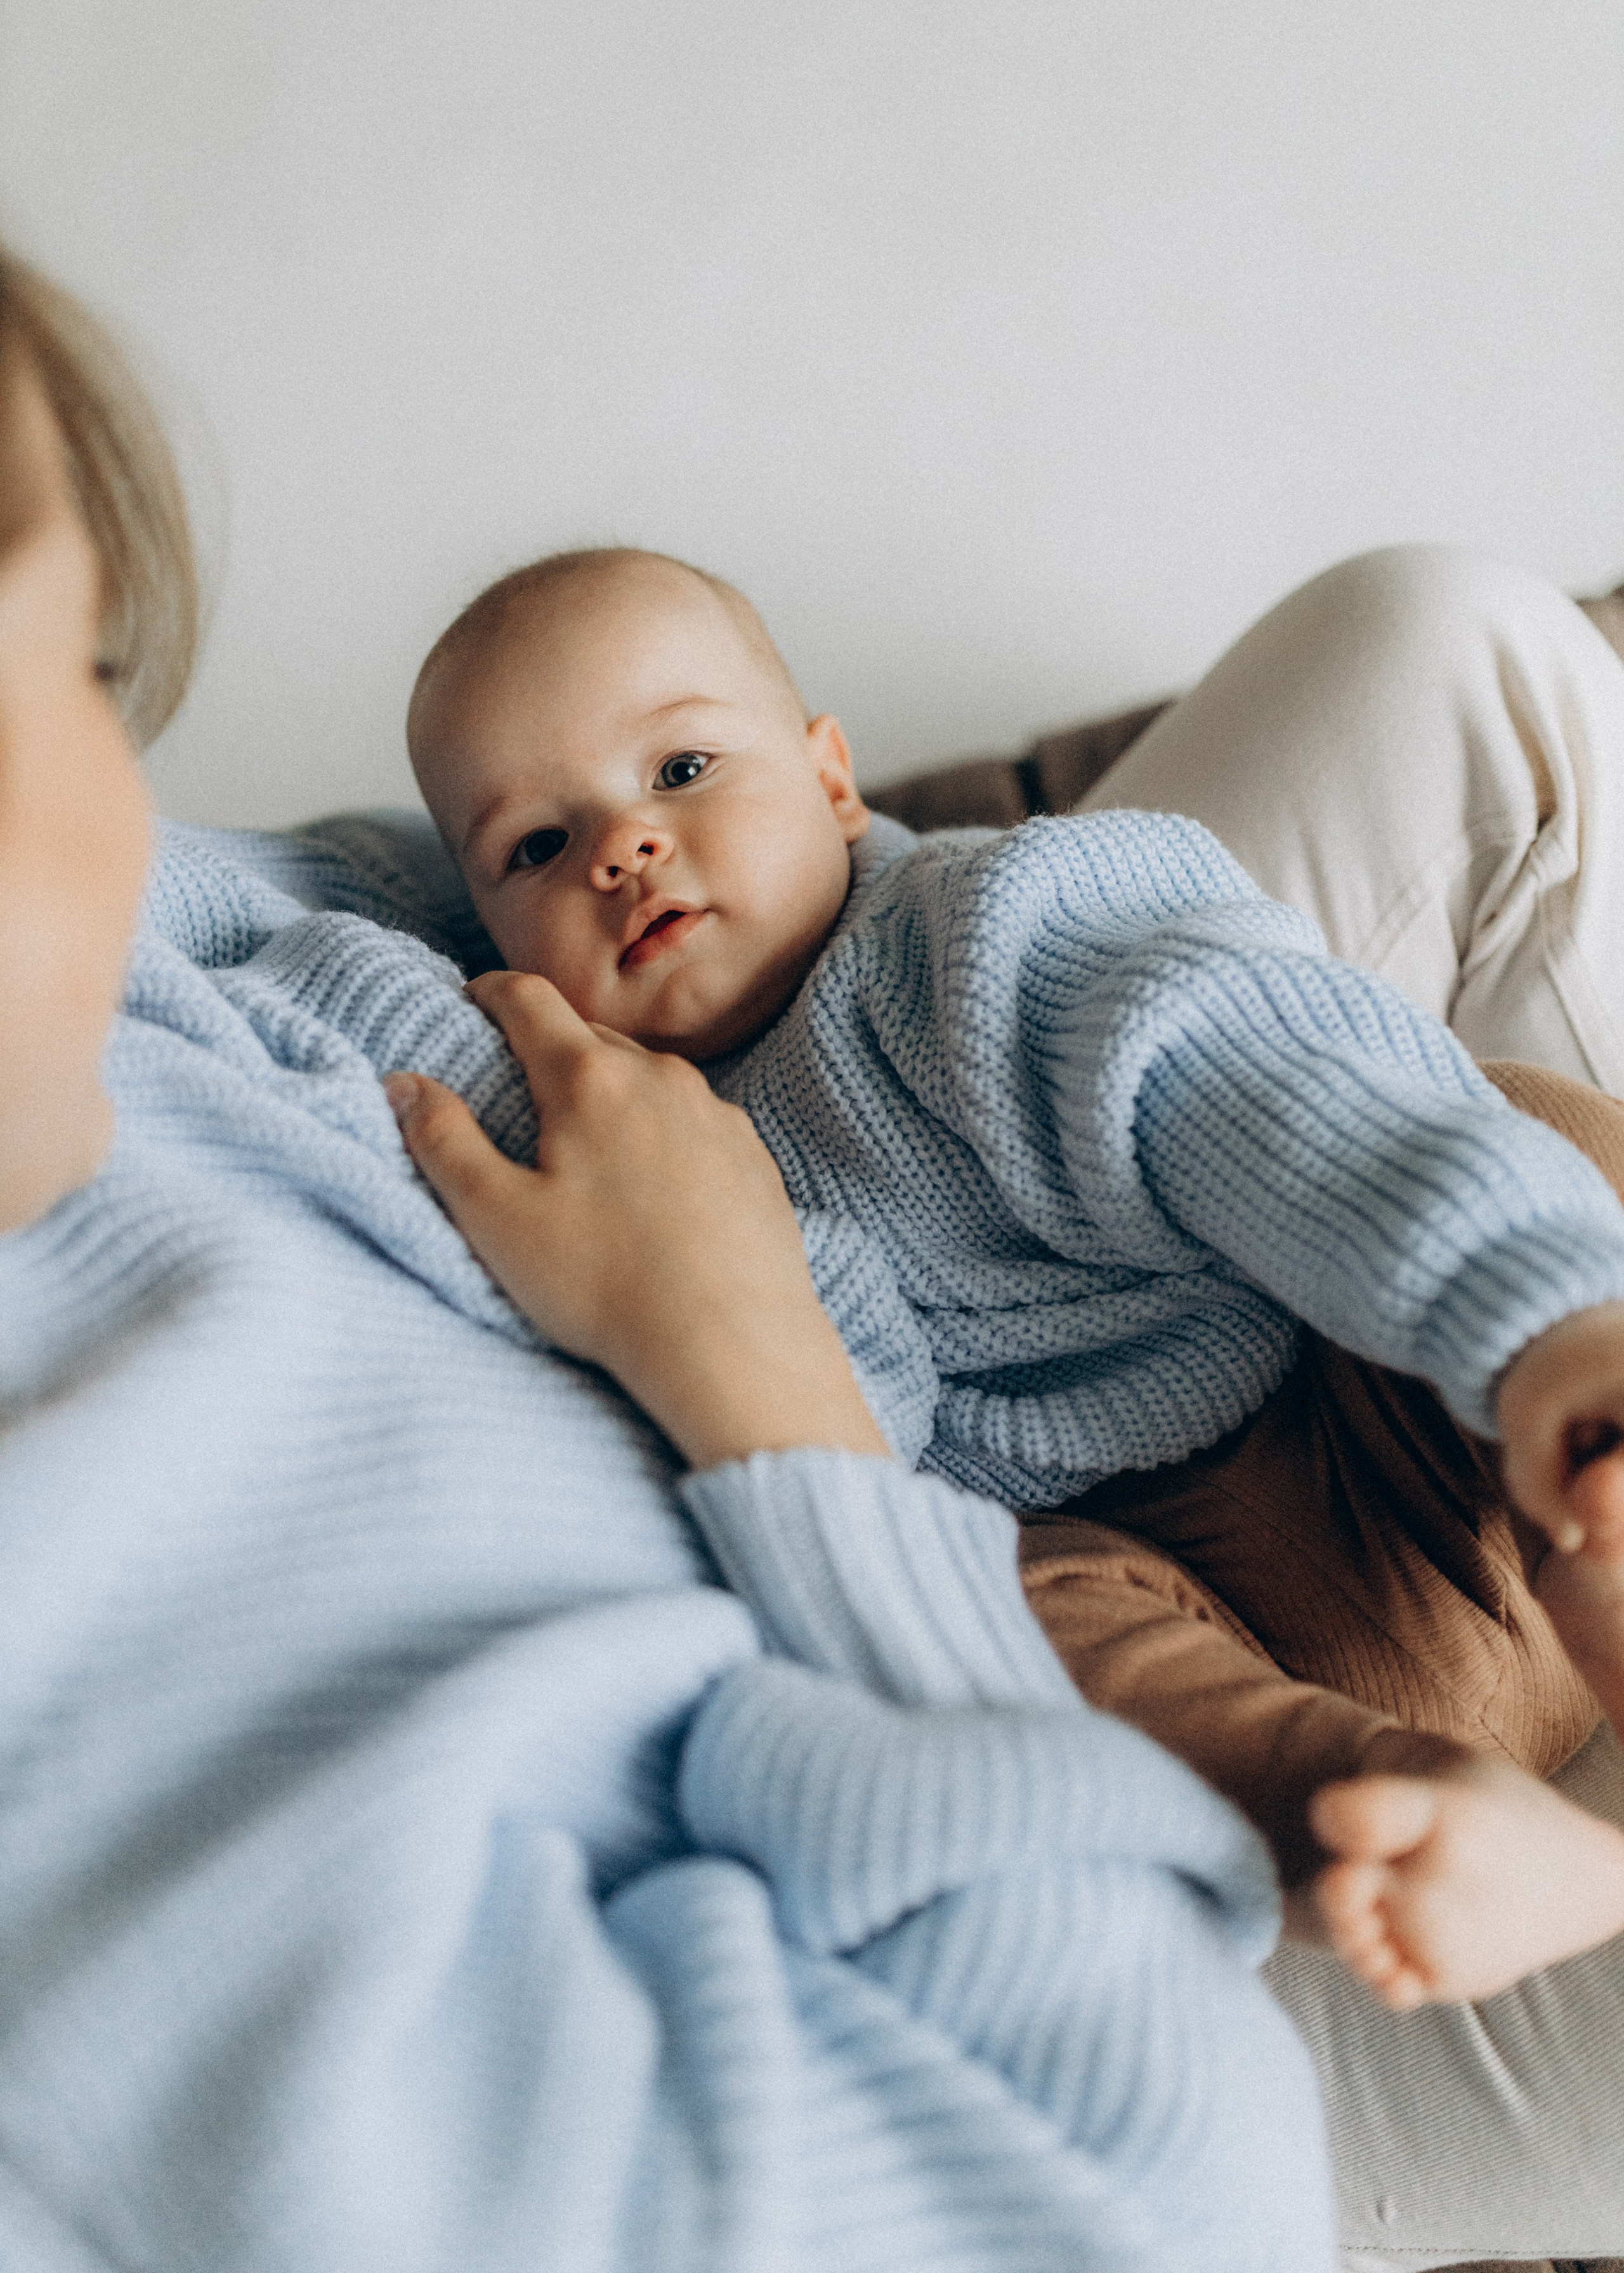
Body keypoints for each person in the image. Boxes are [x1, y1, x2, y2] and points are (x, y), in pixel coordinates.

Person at [0, 247, 1333, 2270]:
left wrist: (875, 913)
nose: (129, 801)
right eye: (62, 686)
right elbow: (1163, 2201)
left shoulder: (120, 987)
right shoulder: (131, 1908)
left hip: (914, 1117)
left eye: (96, 673)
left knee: (1429, 648)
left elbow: (372, 869)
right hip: (1051, 1746)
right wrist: (749, 1360)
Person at [404, 543, 1624, 2015]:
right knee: (1001, 1615)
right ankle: (1388, 1827)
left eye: (678, 768)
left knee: (1507, 1126)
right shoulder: (647, 1145)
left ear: (831, 781)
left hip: (1391, 1415)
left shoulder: (985, 933)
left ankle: (1592, 1433)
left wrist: (1538, 1319)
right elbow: (838, 1451)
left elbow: (1254, 1087)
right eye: (536, 846)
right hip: (1186, 1615)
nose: (621, 849)